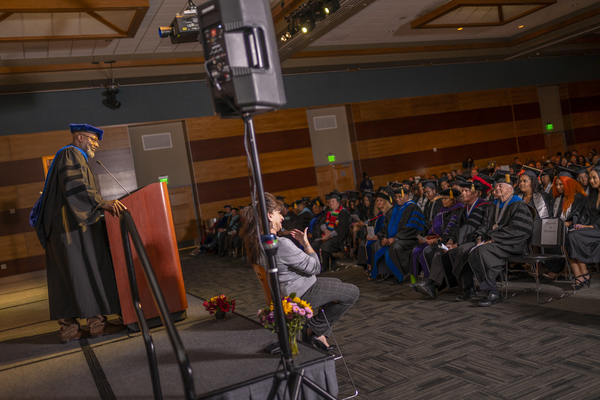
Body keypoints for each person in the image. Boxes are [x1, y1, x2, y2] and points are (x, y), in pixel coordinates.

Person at [32, 124, 126, 343]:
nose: (96, 144)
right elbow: (76, 186)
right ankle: (95, 325)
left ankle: (72, 328)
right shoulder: (71, 153)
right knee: (83, 271)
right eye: (93, 139)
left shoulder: (74, 156)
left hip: (66, 228)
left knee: (69, 274)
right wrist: (103, 204)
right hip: (70, 227)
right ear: (80, 136)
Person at [240, 193, 359, 352]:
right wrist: (306, 243)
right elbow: (316, 267)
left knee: (337, 284)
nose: (282, 217)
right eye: (277, 213)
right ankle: (314, 329)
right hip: (301, 292)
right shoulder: (280, 244)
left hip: (285, 291)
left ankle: (317, 334)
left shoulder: (257, 243)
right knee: (352, 292)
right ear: (269, 216)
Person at [468, 171, 533, 307]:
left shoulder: (519, 205)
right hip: (498, 243)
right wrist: (480, 238)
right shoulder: (494, 205)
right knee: (474, 251)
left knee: (483, 251)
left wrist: (492, 239)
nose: (497, 188)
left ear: (511, 188)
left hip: (514, 244)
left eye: (501, 186)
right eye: (496, 186)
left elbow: (518, 230)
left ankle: (493, 292)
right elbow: (485, 225)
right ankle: (489, 290)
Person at [411, 188, 466, 298]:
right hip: (443, 241)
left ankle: (430, 284)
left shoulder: (459, 210)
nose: (443, 200)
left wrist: (440, 240)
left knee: (436, 252)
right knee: (426, 251)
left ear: (453, 199)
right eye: (442, 198)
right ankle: (430, 283)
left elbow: (455, 230)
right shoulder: (442, 211)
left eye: (446, 198)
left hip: (454, 242)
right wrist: (428, 238)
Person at [370, 186, 425, 284]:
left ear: (407, 196)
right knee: (376, 244)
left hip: (409, 238)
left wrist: (396, 238)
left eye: (400, 196)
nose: (398, 199)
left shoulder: (413, 207)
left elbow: (411, 227)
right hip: (393, 238)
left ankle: (400, 275)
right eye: (396, 197)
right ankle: (387, 273)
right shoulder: (393, 209)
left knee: (395, 247)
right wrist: (384, 237)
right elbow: (385, 226)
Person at [566, 163, 600, 289]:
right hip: (594, 228)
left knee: (574, 236)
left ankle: (583, 274)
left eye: (594, 178)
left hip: (597, 228)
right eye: (590, 178)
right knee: (569, 235)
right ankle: (580, 275)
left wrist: (589, 227)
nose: (591, 180)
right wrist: (582, 225)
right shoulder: (592, 195)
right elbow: (587, 214)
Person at [356, 191, 393, 277]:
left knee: (370, 245)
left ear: (386, 202)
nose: (378, 202)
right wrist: (368, 235)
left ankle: (372, 268)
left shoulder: (389, 214)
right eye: (377, 201)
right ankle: (369, 266)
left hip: (383, 237)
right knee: (363, 243)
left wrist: (378, 236)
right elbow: (371, 227)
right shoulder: (377, 215)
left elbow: (388, 229)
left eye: (381, 200)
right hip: (375, 237)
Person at [312, 192, 351, 271]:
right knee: (315, 244)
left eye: (333, 201)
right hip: (327, 235)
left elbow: (342, 228)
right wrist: (326, 230)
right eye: (330, 202)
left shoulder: (343, 213)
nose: (331, 203)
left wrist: (330, 234)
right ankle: (317, 265)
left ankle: (325, 266)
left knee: (326, 245)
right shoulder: (328, 212)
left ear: (338, 202)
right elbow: (321, 223)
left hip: (339, 238)